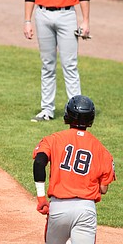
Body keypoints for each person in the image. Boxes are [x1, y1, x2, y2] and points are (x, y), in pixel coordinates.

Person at [32, 95, 116, 243]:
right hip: (86, 209)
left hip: (59, 208)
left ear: (67, 115)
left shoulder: (53, 139)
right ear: (91, 119)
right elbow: (103, 188)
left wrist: (41, 198)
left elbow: (39, 162)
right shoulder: (102, 150)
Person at [23, 0, 91, 122]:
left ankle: (76, 111)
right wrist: (27, 21)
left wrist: (85, 21)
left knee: (70, 66)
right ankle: (47, 110)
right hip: (42, 14)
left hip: (67, 15)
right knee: (47, 65)